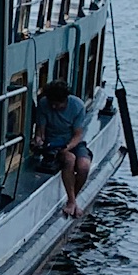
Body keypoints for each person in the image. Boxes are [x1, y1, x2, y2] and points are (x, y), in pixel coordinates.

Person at [34, 77, 91, 218]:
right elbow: (41, 130)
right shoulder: (44, 104)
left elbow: (78, 135)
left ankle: (72, 200)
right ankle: (72, 202)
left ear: (65, 100)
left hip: (72, 142)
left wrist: (67, 146)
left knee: (84, 166)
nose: (53, 107)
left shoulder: (77, 106)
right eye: (51, 104)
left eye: (57, 104)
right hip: (52, 143)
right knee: (69, 160)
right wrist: (39, 140)